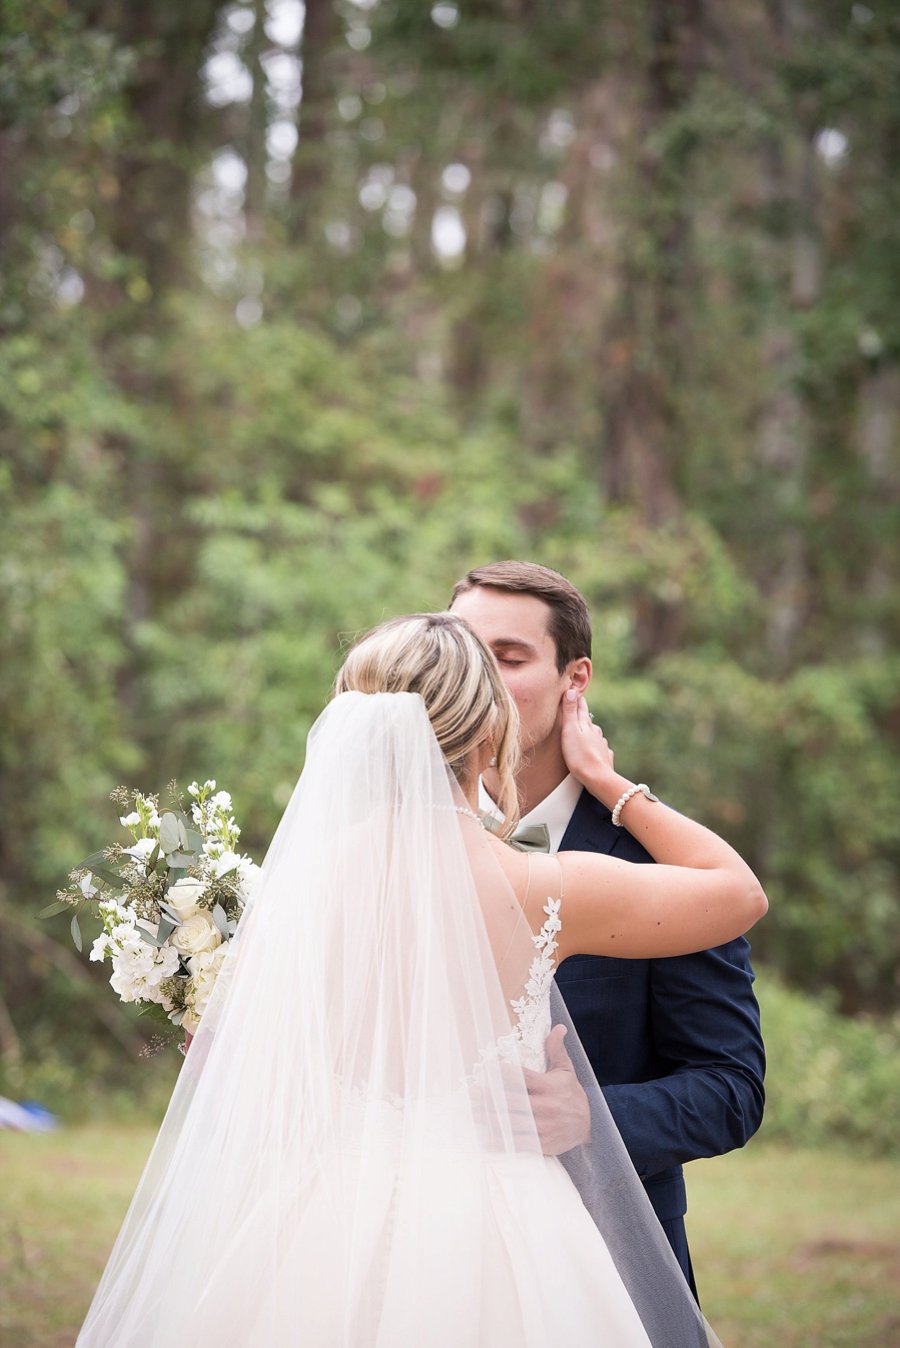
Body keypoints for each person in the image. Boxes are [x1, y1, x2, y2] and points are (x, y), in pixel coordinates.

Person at [77, 613, 766, 1347]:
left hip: (321, 1222)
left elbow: (239, 1064)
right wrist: (610, 782)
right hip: (501, 1221)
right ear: (486, 736)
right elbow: (737, 892)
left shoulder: (295, 887)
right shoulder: (539, 890)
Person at [450, 561, 767, 1297]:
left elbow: (731, 1087)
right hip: (433, 1250)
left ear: (575, 679)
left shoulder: (664, 863)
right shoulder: (402, 849)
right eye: (467, 653)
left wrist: (589, 1115)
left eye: (512, 656)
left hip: (610, 1269)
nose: (483, 681)